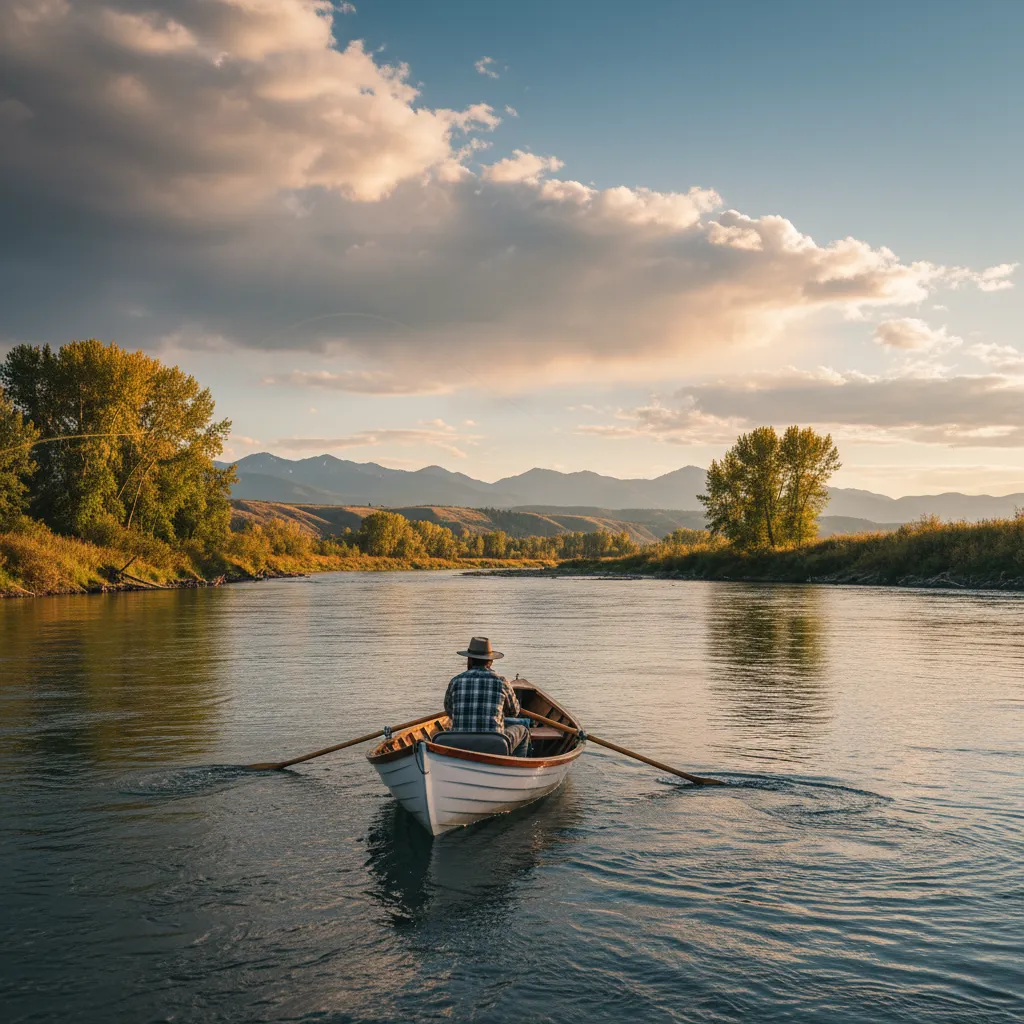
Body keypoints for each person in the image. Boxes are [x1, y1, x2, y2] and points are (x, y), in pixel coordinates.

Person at [444, 637, 531, 756]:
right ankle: (516, 766)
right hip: (494, 745)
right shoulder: (502, 682)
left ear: (469, 659)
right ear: (490, 661)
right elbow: (514, 712)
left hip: (458, 745)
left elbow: (449, 711)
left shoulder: (455, 681)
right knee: (523, 730)